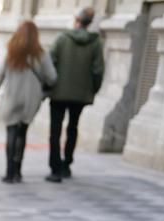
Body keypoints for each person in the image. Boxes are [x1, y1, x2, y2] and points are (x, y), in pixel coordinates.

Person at [0, 20, 56, 183]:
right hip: (31, 101)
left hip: (12, 98)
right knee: (22, 132)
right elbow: (52, 77)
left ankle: (9, 172)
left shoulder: (11, 52)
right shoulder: (41, 54)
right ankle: (18, 171)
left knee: (11, 132)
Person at [45, 7, 105, 181]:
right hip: (80, 95)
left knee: (55, 131)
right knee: (73, 128)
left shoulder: (62, 39)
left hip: (58, 93)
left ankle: (55, 169)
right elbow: (98, 70)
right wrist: (92, 90)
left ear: (77, 20)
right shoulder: (95, 43)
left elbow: (50, 63)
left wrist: (49, 85)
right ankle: (67, 164)